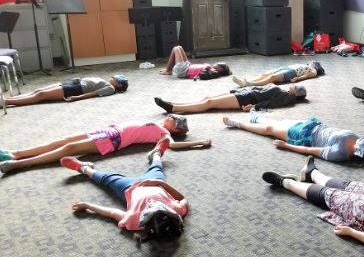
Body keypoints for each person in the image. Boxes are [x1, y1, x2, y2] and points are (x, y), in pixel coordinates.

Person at [64, 138, 187, 242]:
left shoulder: (134, 221)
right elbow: (183, 199)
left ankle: (83, 168)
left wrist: (87, 205)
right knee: (157, 168)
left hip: (130, 188)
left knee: (107, 179)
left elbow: (112, 213)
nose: (153, 203)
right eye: (161, 206)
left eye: (151, 207)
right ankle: (156, 153)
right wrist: (159, 183)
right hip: (155, 182)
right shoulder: (177, 210)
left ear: (144, 221)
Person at [0, 114, 211, 173]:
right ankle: (17, 153)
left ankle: (18, 164)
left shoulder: (164, 133)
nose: (172, 117)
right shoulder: (157, 123)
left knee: (69, 149)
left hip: (112, 140)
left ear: (176, 128)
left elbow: (172, 145)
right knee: (62, 140)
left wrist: (199, 142)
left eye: (175, 119)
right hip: (107, 130)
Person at [222, 113, 364, 168]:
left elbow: (310, 151)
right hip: (312, 125)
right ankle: (256, 117)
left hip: (303, 137)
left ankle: (239, 124)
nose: (360, 141)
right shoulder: (357, 139)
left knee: (269, 130)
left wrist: (286, 146)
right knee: (279, 123)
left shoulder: (339, 153)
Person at [153, 84, 307, 113]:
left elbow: (270, 103)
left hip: (247, 98)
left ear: (296, 93)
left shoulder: (286, 97)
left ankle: (173, 108)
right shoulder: (284, 91)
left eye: (297, 87)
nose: (295, 84)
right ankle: (174, 104)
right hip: (245, 93)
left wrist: (255, 107)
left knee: (209, 103)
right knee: (208, 98)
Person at [2, 75, 128, 106]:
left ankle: (6, 102)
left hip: (76, 89)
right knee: (38, 90)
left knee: (41, 95)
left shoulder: (110, 89)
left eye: (116, 79)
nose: (113, 78)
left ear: (119, 85)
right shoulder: (108, 83)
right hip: (73, 83)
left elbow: (93, 94)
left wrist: (77, 98)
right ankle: (6, 100)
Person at [231, 61, 324, 87]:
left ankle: (249, 84)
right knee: (265, 74)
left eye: (312, 62)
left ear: (316, 65)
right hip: (287, 68)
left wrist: (297, 79)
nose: (310, 62)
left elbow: (307, 76)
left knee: (272, 77)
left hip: (292, 73)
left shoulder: (314, 71)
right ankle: (246, 81)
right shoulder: (305, 65)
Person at [159, 46, 231, 79]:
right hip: (188, 66)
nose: (215, 63)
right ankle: (168, 70)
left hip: (183, 70)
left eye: (217, 64)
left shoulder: (212, 71)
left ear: (220, 69)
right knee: (180, 47)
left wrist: (209, 68)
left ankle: (168, 70)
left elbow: (202, 75)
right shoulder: (212, 69)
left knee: (176, 48)